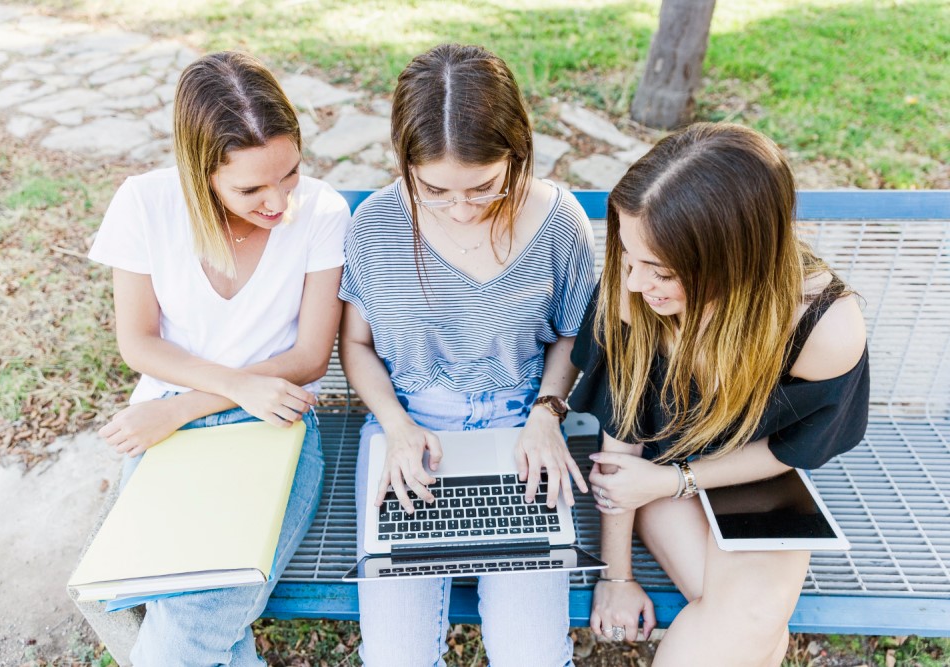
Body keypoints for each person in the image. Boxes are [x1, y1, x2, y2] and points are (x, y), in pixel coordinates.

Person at [569, 122, 870, 666]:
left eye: (659, 270)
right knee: (754, 627)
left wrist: (677, 480)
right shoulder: (633, 292)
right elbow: (623, 446)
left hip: (755, 478)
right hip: (656, 470)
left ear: (734, 261)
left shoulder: (822, 329)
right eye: (629, 256)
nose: (633, 283)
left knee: (749, 621)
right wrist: (616, 576)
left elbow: (789, 450)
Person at [338, 43, 596, 666]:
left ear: (517, 152)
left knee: (534, 656)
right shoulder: (375, 224)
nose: (459, 209)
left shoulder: (560, 224)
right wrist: (398, 428)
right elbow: (355, 343)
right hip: (408, 434)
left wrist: (546, 415)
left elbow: (573, 338)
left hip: (523, 429)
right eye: (433, 189)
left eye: (483, 186)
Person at [87, 51, 349, 665]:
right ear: (198, 171)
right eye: (251, 188)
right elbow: (140, 342)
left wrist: (192, 405)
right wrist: (192, 407)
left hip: (273, 423)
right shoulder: (144, 204)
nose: (279, 202)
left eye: (290, 174)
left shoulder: (322, 212)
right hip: (167, 425)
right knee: (188, 603)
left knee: (193, 615)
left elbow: (310, 357)